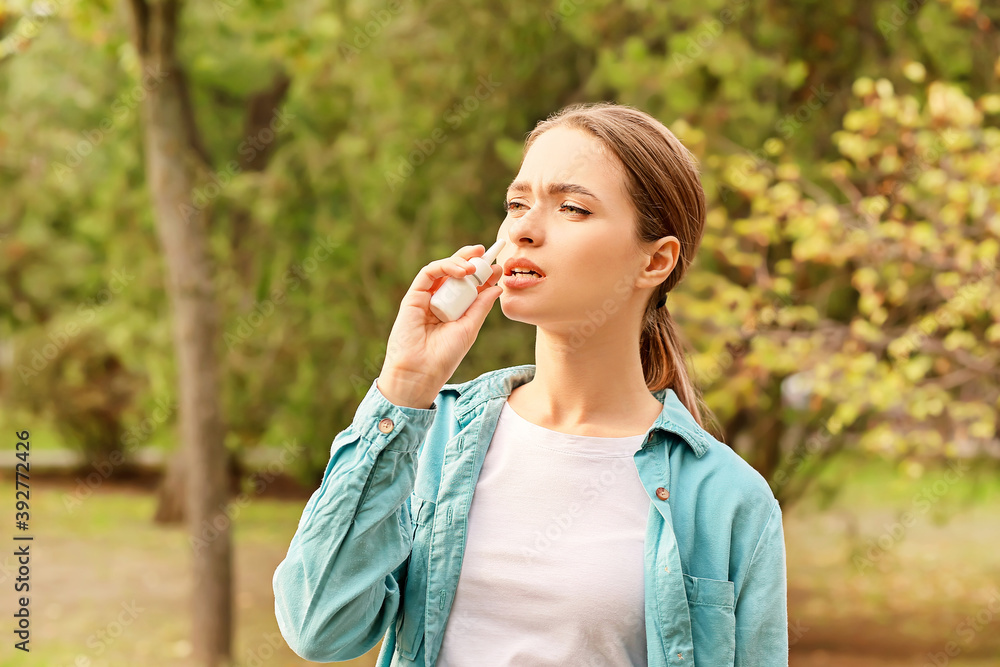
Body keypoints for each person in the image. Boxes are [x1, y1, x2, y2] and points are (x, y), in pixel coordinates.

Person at [272, 101, 788, 666]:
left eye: (572, 208)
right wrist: (403, 384)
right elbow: (318, 627)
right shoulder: (431, 440)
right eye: (517, 204)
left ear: (655, 261)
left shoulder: (728, 500)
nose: (522, 228)